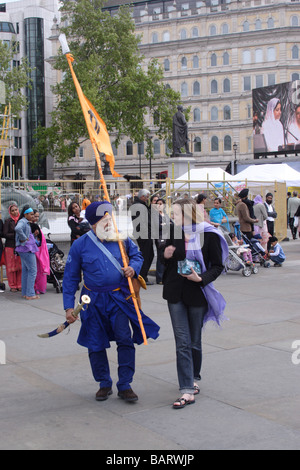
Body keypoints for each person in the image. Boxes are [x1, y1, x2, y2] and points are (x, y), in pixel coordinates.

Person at [63, 201, 160, 402]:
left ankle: (125, 384)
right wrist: (68, 307)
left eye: (111, 218)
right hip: (92, 301)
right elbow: (71, 278)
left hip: (119, 298)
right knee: (95, 343)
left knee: (125, 339)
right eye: (105, 220)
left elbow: (137, 255)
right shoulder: (80, 245)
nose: (110, 223)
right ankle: (103, 383)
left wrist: (133, 267)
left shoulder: (122, 238)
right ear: (94, 223)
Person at [162, 198, 228, 409]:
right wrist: (165, 254)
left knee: (194, 341)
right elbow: (164, 254)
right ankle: (186, 389)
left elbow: (217, 266)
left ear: (189, 214)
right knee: (182, 341)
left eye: (177, 214)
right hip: (175, 293)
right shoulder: (174, 231)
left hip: (197, 293)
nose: (173, 218)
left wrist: (201, 279)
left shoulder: (208, 234)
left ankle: (193, 375)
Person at [130, 189, 154, 285]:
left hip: (143, 233)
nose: (147, 199)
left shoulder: (140, 205)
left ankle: (142, 275)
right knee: (147, 255)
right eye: (147, 197)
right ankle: (142, 276)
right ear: (142, 197)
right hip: (143, 234)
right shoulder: (138, 206)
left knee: (149, 254)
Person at [15, 207, 39, 300]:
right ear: (25, 214)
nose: (33, 216)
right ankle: (30, 293)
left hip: (24, 249)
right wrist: (24, 237)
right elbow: (17, 228)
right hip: (27, 249)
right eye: (31, 214)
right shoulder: (23, 221)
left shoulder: (25, 222)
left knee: (26, 271)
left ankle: (25, 293)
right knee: (33, 271)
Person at [3, 204, 22, 292]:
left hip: (20, 246)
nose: (15, 212)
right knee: (11, 267)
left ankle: (19, 284)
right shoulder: (8, 221)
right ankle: (12, 285)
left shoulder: (21, 221)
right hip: (10, 246)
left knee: (19, 266)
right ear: (10, 212)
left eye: (16, 210)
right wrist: (16, 235)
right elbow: (4, 234)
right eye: (12, 211)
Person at [31, 212, 50, 295]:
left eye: (38, 216)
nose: (36, 218)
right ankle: (36, 287)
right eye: (35, 216)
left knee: (40, 270)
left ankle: (40, 287)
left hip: (40, 250)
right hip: (36, 251)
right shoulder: (30, 226)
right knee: (36, 270)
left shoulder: (35, 226)